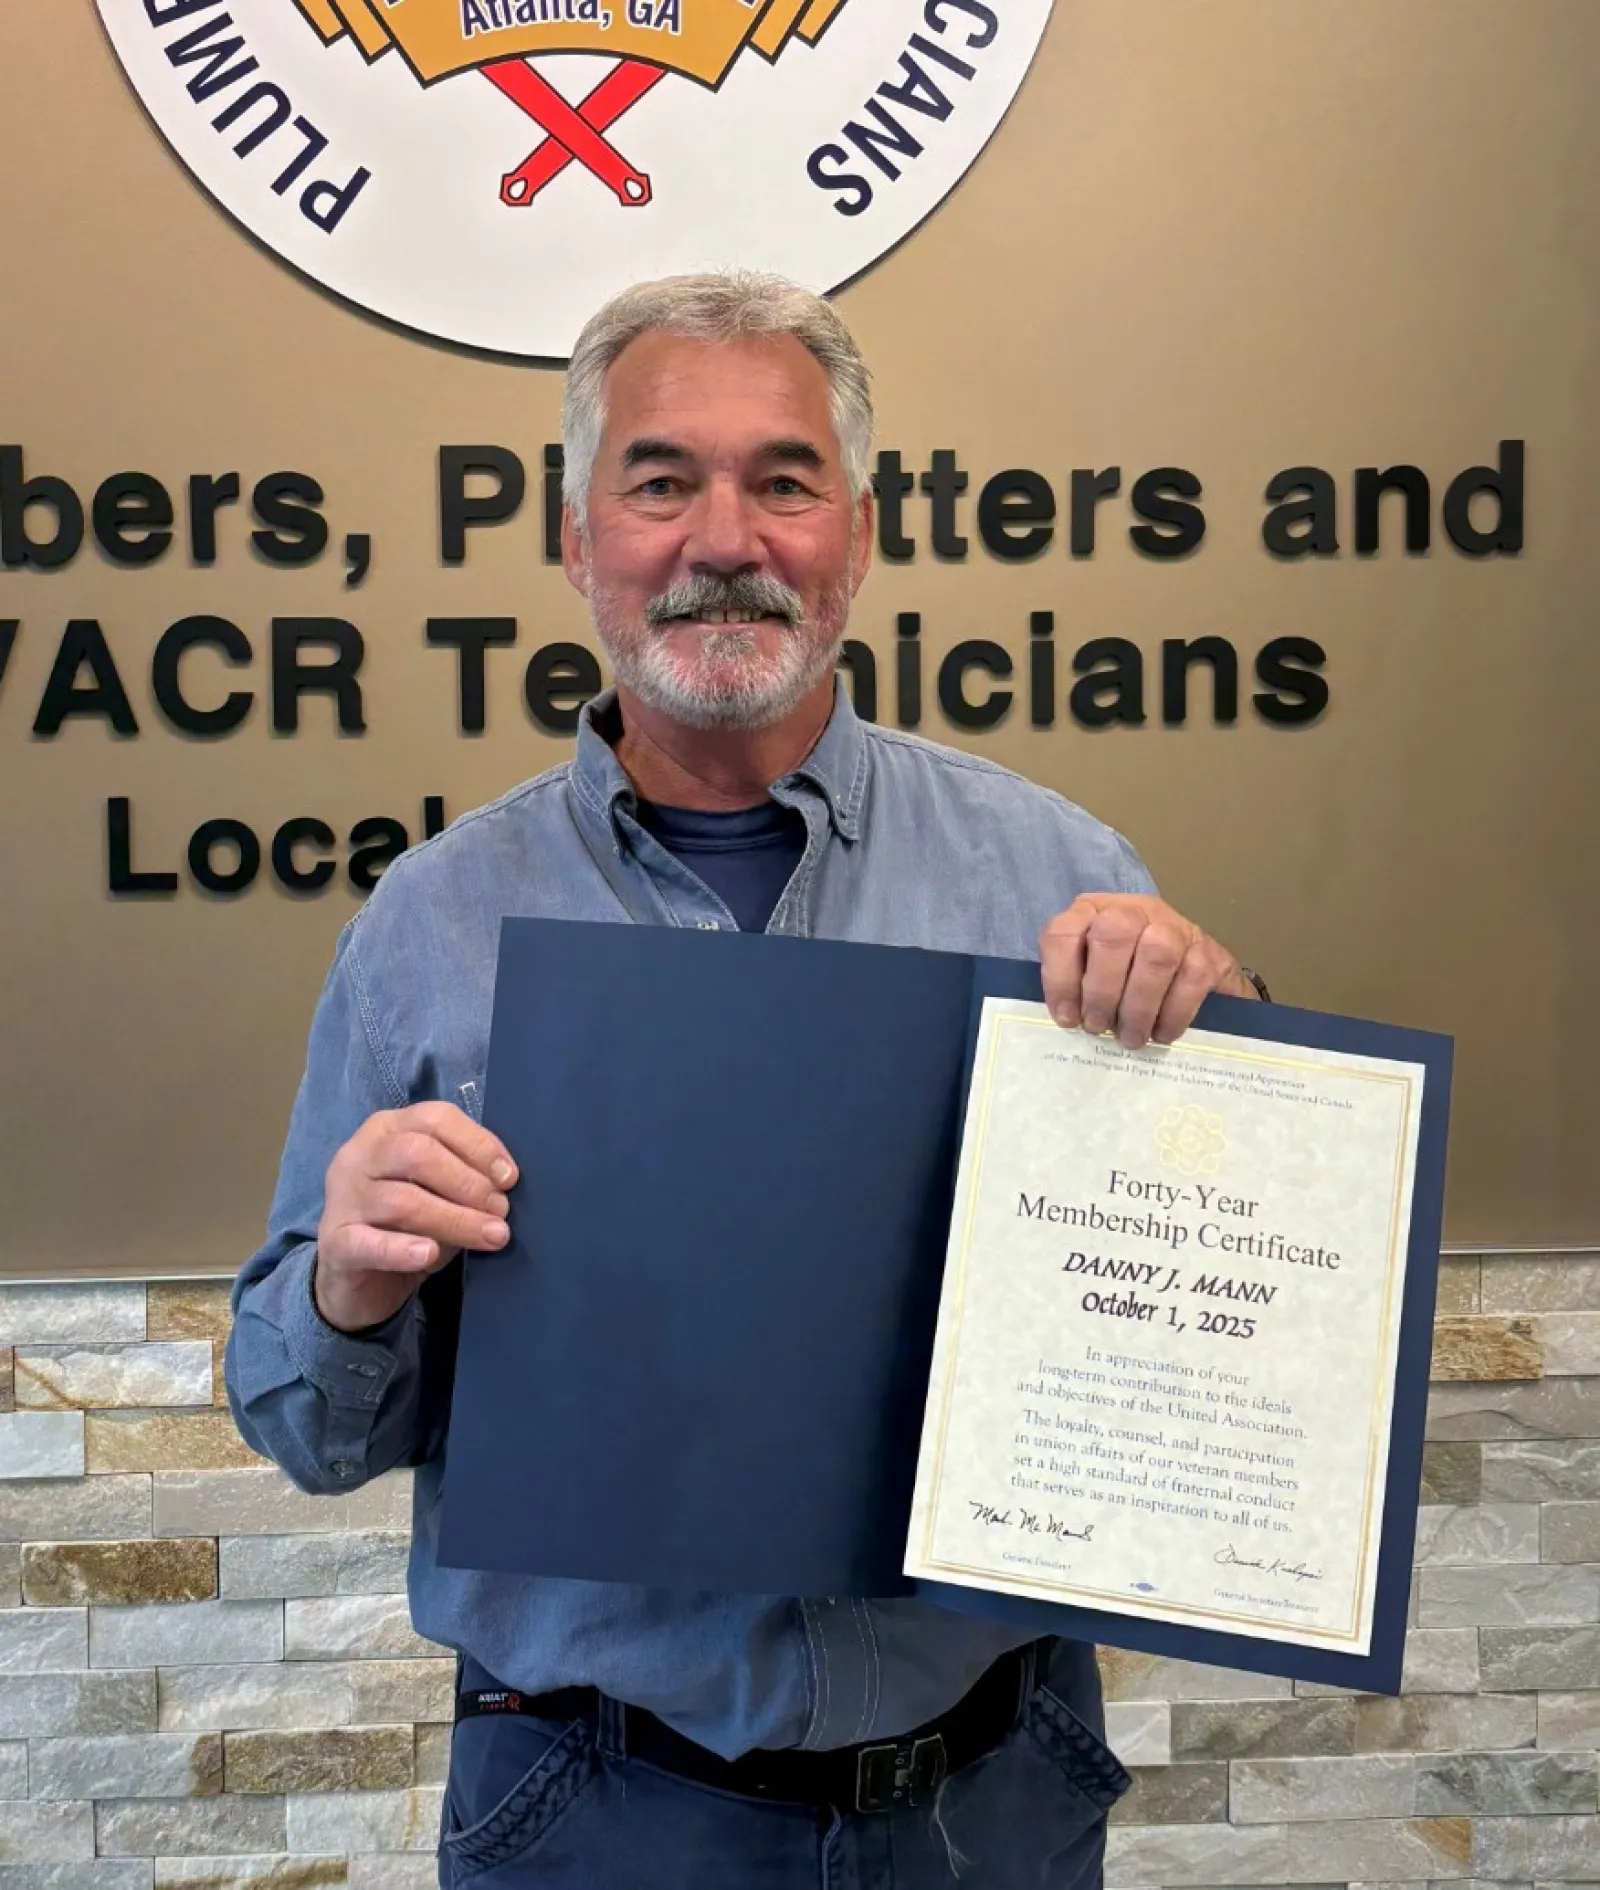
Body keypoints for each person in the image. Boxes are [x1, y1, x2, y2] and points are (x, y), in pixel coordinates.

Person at [226, 272, 1262, 1890]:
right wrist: (351, 1288)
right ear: (578, 542)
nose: (726, 535)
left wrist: (1227, 1063)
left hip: (989, 1798)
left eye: (784, 480)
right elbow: (297, 1423)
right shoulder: (432, 923)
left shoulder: (1058, 873)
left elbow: (1229, 1325)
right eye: (660, 482)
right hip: (593, 1805)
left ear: (856, 535)